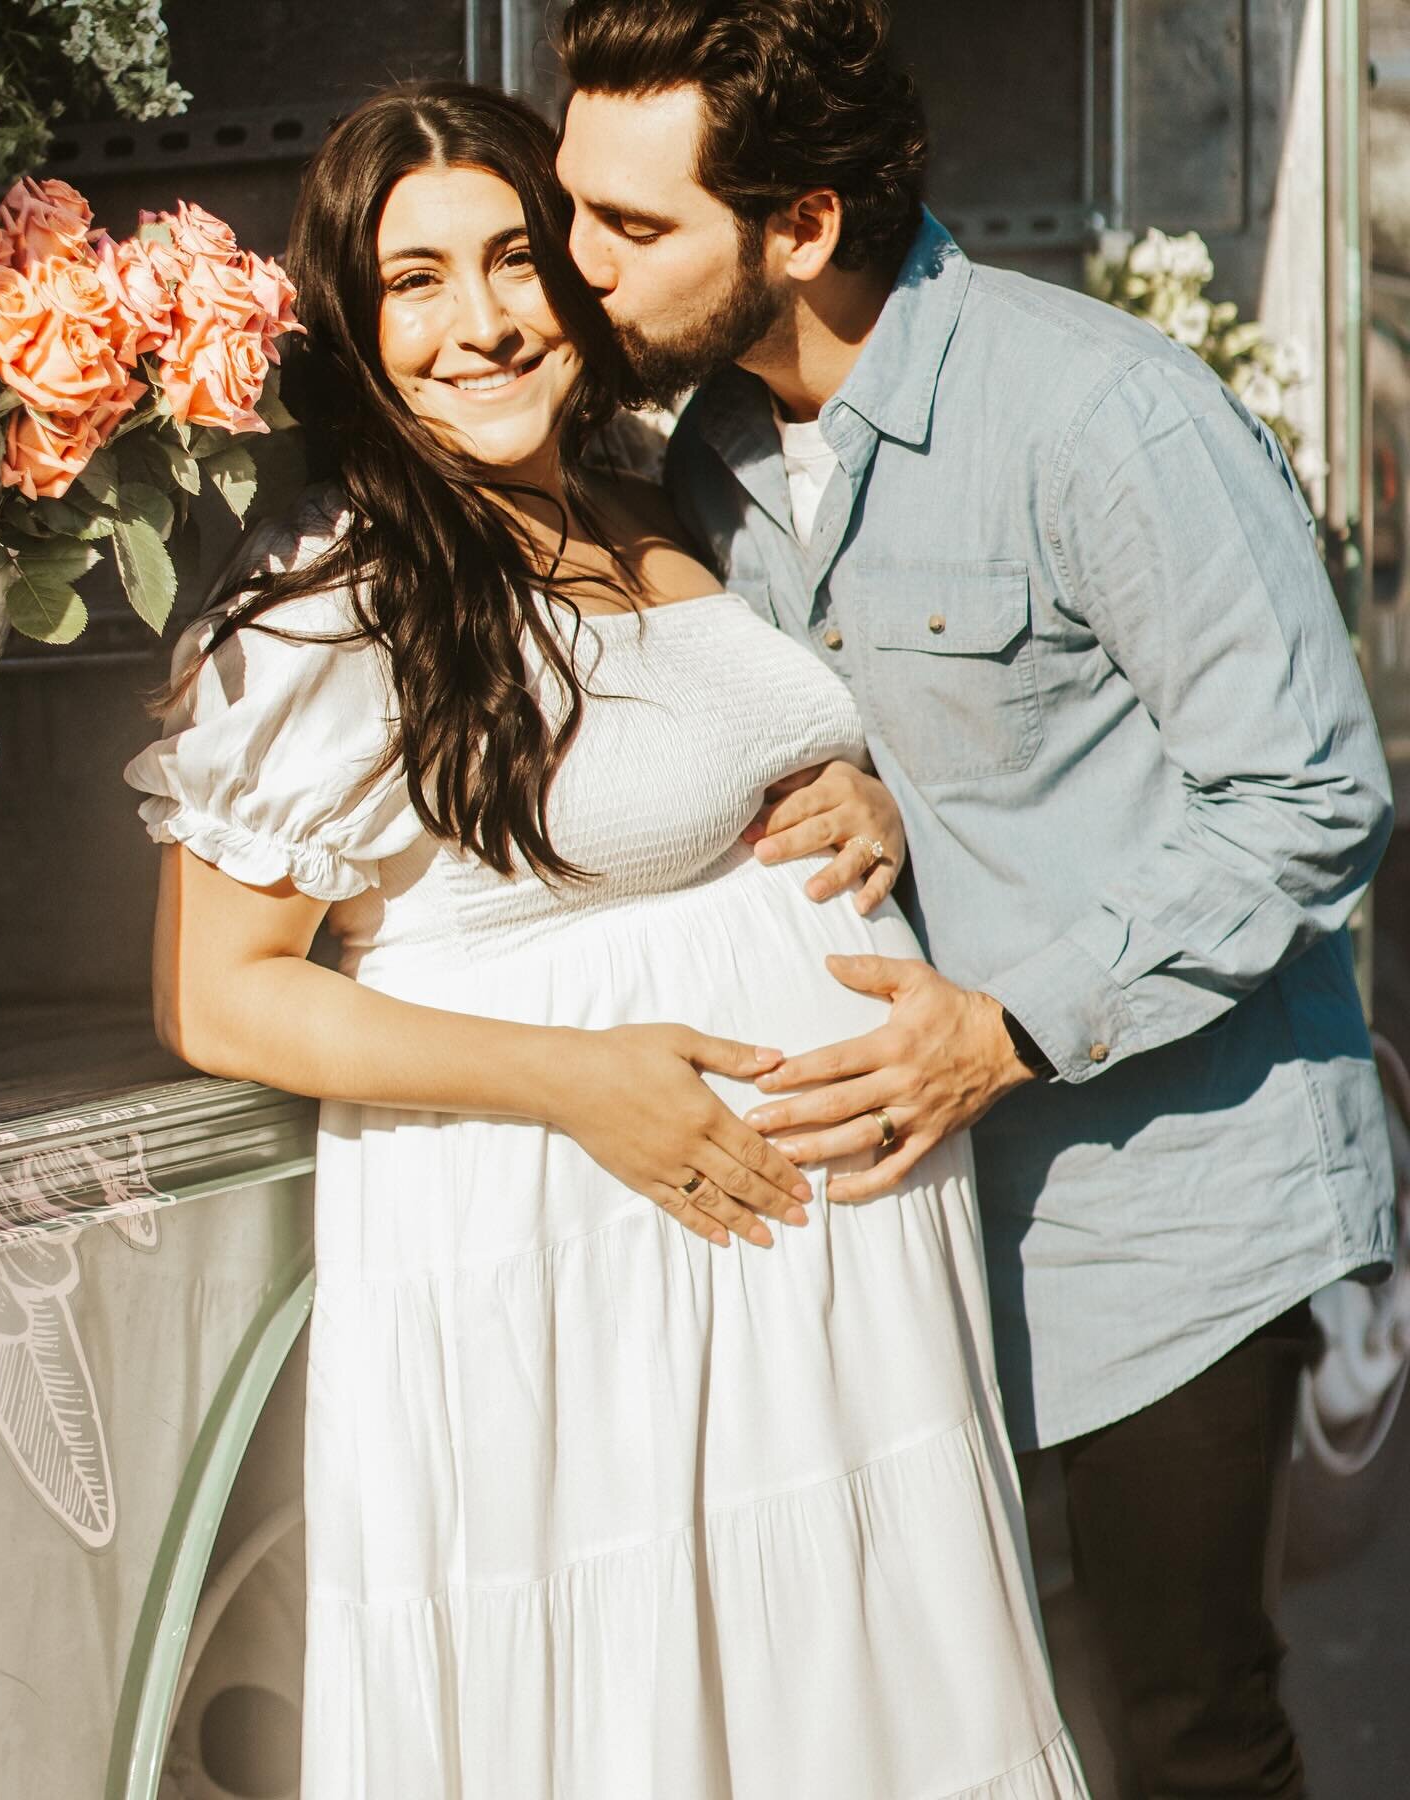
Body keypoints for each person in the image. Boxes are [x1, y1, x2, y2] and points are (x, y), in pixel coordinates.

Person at [126, 82, 1085, 1800]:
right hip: (582, 1257)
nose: (482, 323)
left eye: (512, 259)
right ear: (352, 322)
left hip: (830, 1280)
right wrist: (579, 1086)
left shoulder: (653, 497)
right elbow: (220, 994)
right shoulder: (335, 597)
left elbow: (697, 757)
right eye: (414, 281)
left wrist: (857, 787)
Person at [554, 4, 1398, 1795]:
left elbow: (1313, 795)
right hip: (889, 1233)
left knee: (1178, 1731)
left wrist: (1008, 1027)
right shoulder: (699, 452)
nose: (578, 269)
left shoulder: (1105, 414)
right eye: (578, 209)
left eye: (633, 229)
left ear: (801, 229)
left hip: (1170, 1213)